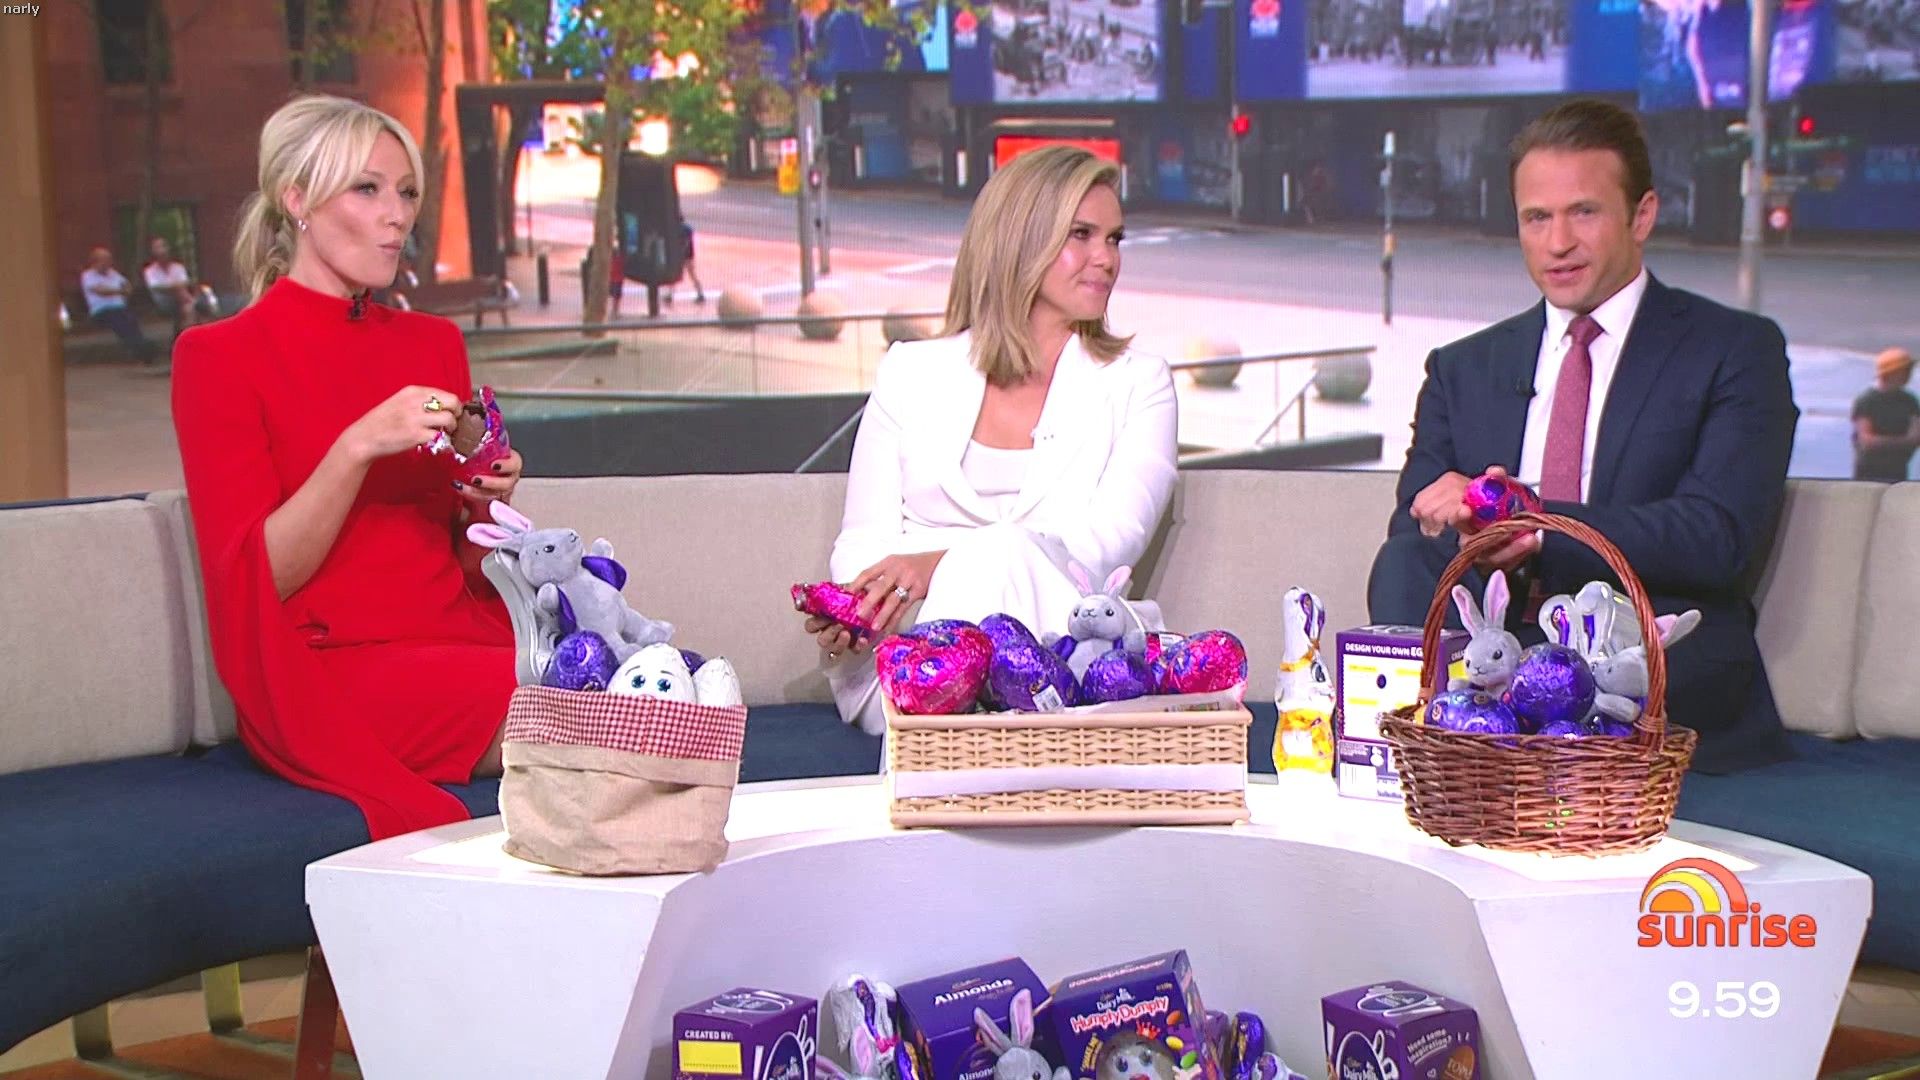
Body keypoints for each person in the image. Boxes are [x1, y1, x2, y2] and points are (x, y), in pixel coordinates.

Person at [1366, 99, 1800, 773]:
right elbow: (1413, 527)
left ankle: (1509, 738)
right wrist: (1457, 516)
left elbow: (1718, 539)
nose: (1558, 242)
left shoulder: (1733, 350)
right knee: (1403, 558)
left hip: (1646, 654)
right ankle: (1449, 744)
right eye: (1537, 217)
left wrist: (1539, 526)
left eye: (1584, 212)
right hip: (1492, 648)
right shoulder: (1463, 368)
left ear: (1642, 215)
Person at [170, 94, 527, 840]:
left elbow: (463, 566)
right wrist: (355, 447)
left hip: (464, 639)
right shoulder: (218, 358)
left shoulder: (432, 342)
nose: (397, 216)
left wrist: (483, 495)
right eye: (368, 189)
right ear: (297, 199)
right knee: (620, 709)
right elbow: (257, 581)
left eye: (407, 193)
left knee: (668, 679)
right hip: (331, 673)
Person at [805, 145, 1179, 736]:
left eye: (1114, 239)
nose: (1106, 258)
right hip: (909, 654)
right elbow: (861, 542)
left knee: (1004, 550)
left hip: (1059, 654)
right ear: (1020, 239)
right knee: (990, 560)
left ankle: (939, 765)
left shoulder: (1139, 384)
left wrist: (937, 563)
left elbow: (1102, 548)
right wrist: (858, 608)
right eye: (1082, 235)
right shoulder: (911, 372)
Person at [80, 245, 159, 366]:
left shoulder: (113, 273)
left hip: (120, 308)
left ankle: (143, 348)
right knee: (122, 324)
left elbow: (126, 285)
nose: (108, 262)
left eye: (109, 259)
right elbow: (100, 291)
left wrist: (125, 290)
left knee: (131, 323)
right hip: (101, 311)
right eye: (105, 260)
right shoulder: (88, 275)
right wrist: (120, 291)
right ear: (95, 262)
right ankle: (141, 350)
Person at [1852, 347, 1920, 481]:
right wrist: (1903, 442)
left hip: (1898, 471)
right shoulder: (1867, 400)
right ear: (1891, 373)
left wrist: (1885, 442)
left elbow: (1915, 437)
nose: (1909, 374)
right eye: (1905, 370)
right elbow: (1866, 441)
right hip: (1868, 473)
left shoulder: (1910, 401)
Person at [143, 236, 214, 333]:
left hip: (182, 299)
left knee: (188, 308)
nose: (162, 250)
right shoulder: (149, 271)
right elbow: (155, 287)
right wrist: (174, 287)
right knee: (183, 297)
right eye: (158, 247)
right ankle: (193, 305)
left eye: (163, 246)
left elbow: (185, 283)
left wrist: (175, 287)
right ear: (153, 252)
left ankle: (188, 329)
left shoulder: (178, 267)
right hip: (164, 301)